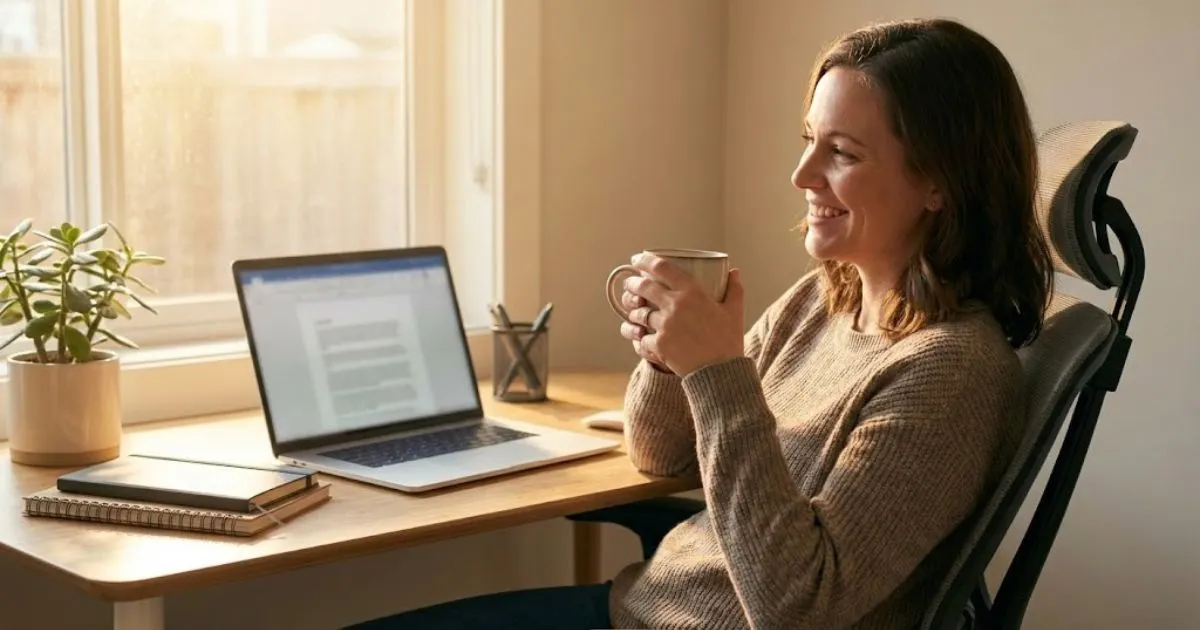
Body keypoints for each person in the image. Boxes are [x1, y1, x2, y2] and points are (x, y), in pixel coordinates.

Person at [346, 16, 1054, 630]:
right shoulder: (820, 305)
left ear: (940, 182)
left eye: (841, 152)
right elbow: (660, 455)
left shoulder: (950, 370)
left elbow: (798, 608)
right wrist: (668, 359)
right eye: (809, 139)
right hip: (644, 607)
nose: (802, 174)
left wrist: (717, 372)